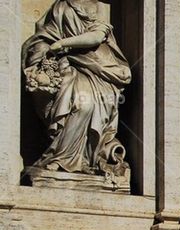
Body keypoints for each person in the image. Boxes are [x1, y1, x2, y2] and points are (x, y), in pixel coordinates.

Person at [22, 0, 131, 177]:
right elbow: (44, 35)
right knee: (79, 104)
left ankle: (85, 160)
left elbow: (97, 36)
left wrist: (62, 44)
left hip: (98, 69)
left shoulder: (100, 7)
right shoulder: (61, 6)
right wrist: (45, 53)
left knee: (87, 105)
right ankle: (61, 158)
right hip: (67, 64)